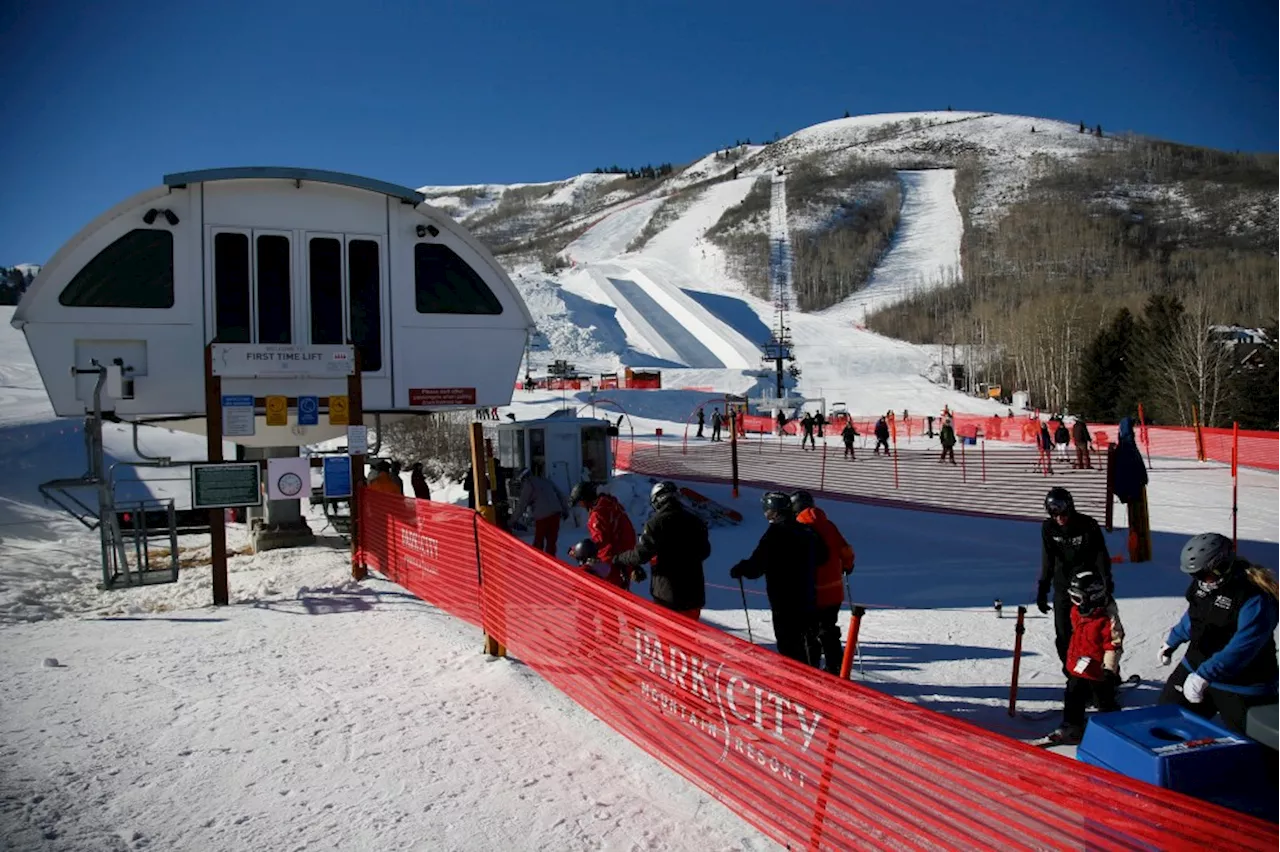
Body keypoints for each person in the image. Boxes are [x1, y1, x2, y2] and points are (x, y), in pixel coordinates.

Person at [1157, 533, 1280, 733]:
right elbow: (1196, 616)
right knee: (1164, 725)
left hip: (1240, 684)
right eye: (1194, 575)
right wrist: (1173, 641)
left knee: (1254, 750)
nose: (1200, 581)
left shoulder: (1255, 598)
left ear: (1222, 565)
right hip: (1195, 667)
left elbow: (1243, 647)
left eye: (1203, 574)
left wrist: (1205, 675)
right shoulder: (1204, 585)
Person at [730, 492, 827, 664]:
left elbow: (756, 566)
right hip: (808, 596)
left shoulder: (775, 533)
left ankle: (794, 680)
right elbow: (823, 556)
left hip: (784, 599)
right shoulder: (805, 529)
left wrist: (741, 568)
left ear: (773, 511)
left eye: (766, 510)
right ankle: (812, 677)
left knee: (789, 643)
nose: (765, 514)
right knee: (809, 641)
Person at [1045, 569, 1125, 745]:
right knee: (1073, 694)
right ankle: (1072, 724)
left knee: (1103, 699)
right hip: (1079, 665)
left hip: (1098, 671)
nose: (1074, 603)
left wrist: (1109, 671)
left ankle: (1111, 723)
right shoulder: (1077, 611)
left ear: (1093, 597)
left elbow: (1113, 646)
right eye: (1073, 597)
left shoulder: (1106, 620)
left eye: (1078, 598)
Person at [1037, 487, 1113, 668]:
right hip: (1063, 586)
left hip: (1088, 587)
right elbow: (1048, 559)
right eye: (1054, 514)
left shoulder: (1088, 525)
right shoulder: (1049, 528)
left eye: (1063, 513)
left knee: (1093, 634)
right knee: (1063, 634)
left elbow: (1101, 555)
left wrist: (1106, 581)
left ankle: (1106, 675)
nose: (1059, 518)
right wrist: (1043, 588)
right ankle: (1073, 674)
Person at [614, 482, 709, 619]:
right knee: (688, 638)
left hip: (668, 596)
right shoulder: (696, 521)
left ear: (657, 501)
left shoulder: (656, 523)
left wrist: (620, 558)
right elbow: (705, 551)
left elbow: (641, 554)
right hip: (693, 593)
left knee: (668, 638)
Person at [792, 490, 855, 674]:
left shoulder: (797, 529)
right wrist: (847, 566)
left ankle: (810, 670)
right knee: (828, 630)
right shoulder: (829, 525)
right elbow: (846, 551)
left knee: (809, 633)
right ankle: (835, 667)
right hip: (834, 592)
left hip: (810, 592)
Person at [568, 481, 636, 587]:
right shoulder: (611, 505)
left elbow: (599, 540)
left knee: (606, 592)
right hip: (625, 556)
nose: (581, 506)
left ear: (587, 499)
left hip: (612, 561)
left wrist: (577, 550)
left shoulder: (599, 514)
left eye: (581, 502)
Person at [510, 468, 570, 555]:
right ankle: (551, 563)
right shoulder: (545, 480)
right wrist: (565, 509)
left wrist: (512, 521)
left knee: (538, 542)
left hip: (542, 516)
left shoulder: (529, 484)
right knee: (551, 542)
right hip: (556, 513)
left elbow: (521, 505)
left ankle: (538, 563)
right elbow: (560, 494)